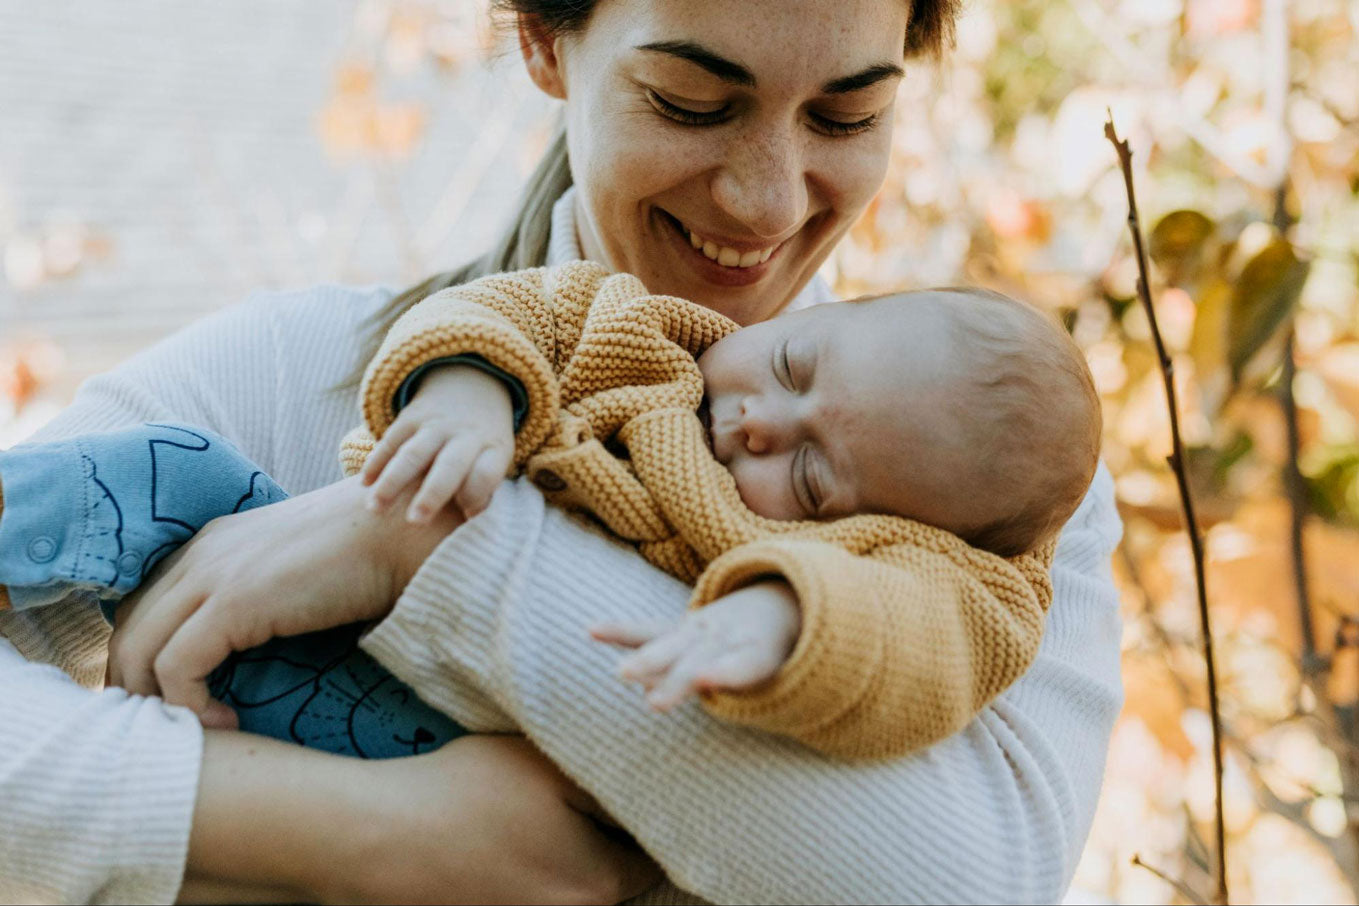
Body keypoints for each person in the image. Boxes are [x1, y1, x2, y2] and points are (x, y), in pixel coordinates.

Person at [0, 0, 1123, 902]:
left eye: (845, 119)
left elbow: (978, 879)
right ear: (544, 40)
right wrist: (372, 840)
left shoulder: (988, 482)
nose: (768, 198)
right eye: (690, 101)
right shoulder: (299, 371)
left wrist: (429, 554)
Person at [0, 262, 1098, 762]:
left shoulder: (930, 570)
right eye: (799, 364)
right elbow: (513, 310)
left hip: (417, 741)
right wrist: (472, 396)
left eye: (810, 477)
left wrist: (778, 619)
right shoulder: (653, 335)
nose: (764, 422)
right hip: (306, 611)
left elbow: (914, 639)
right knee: (166, 469)